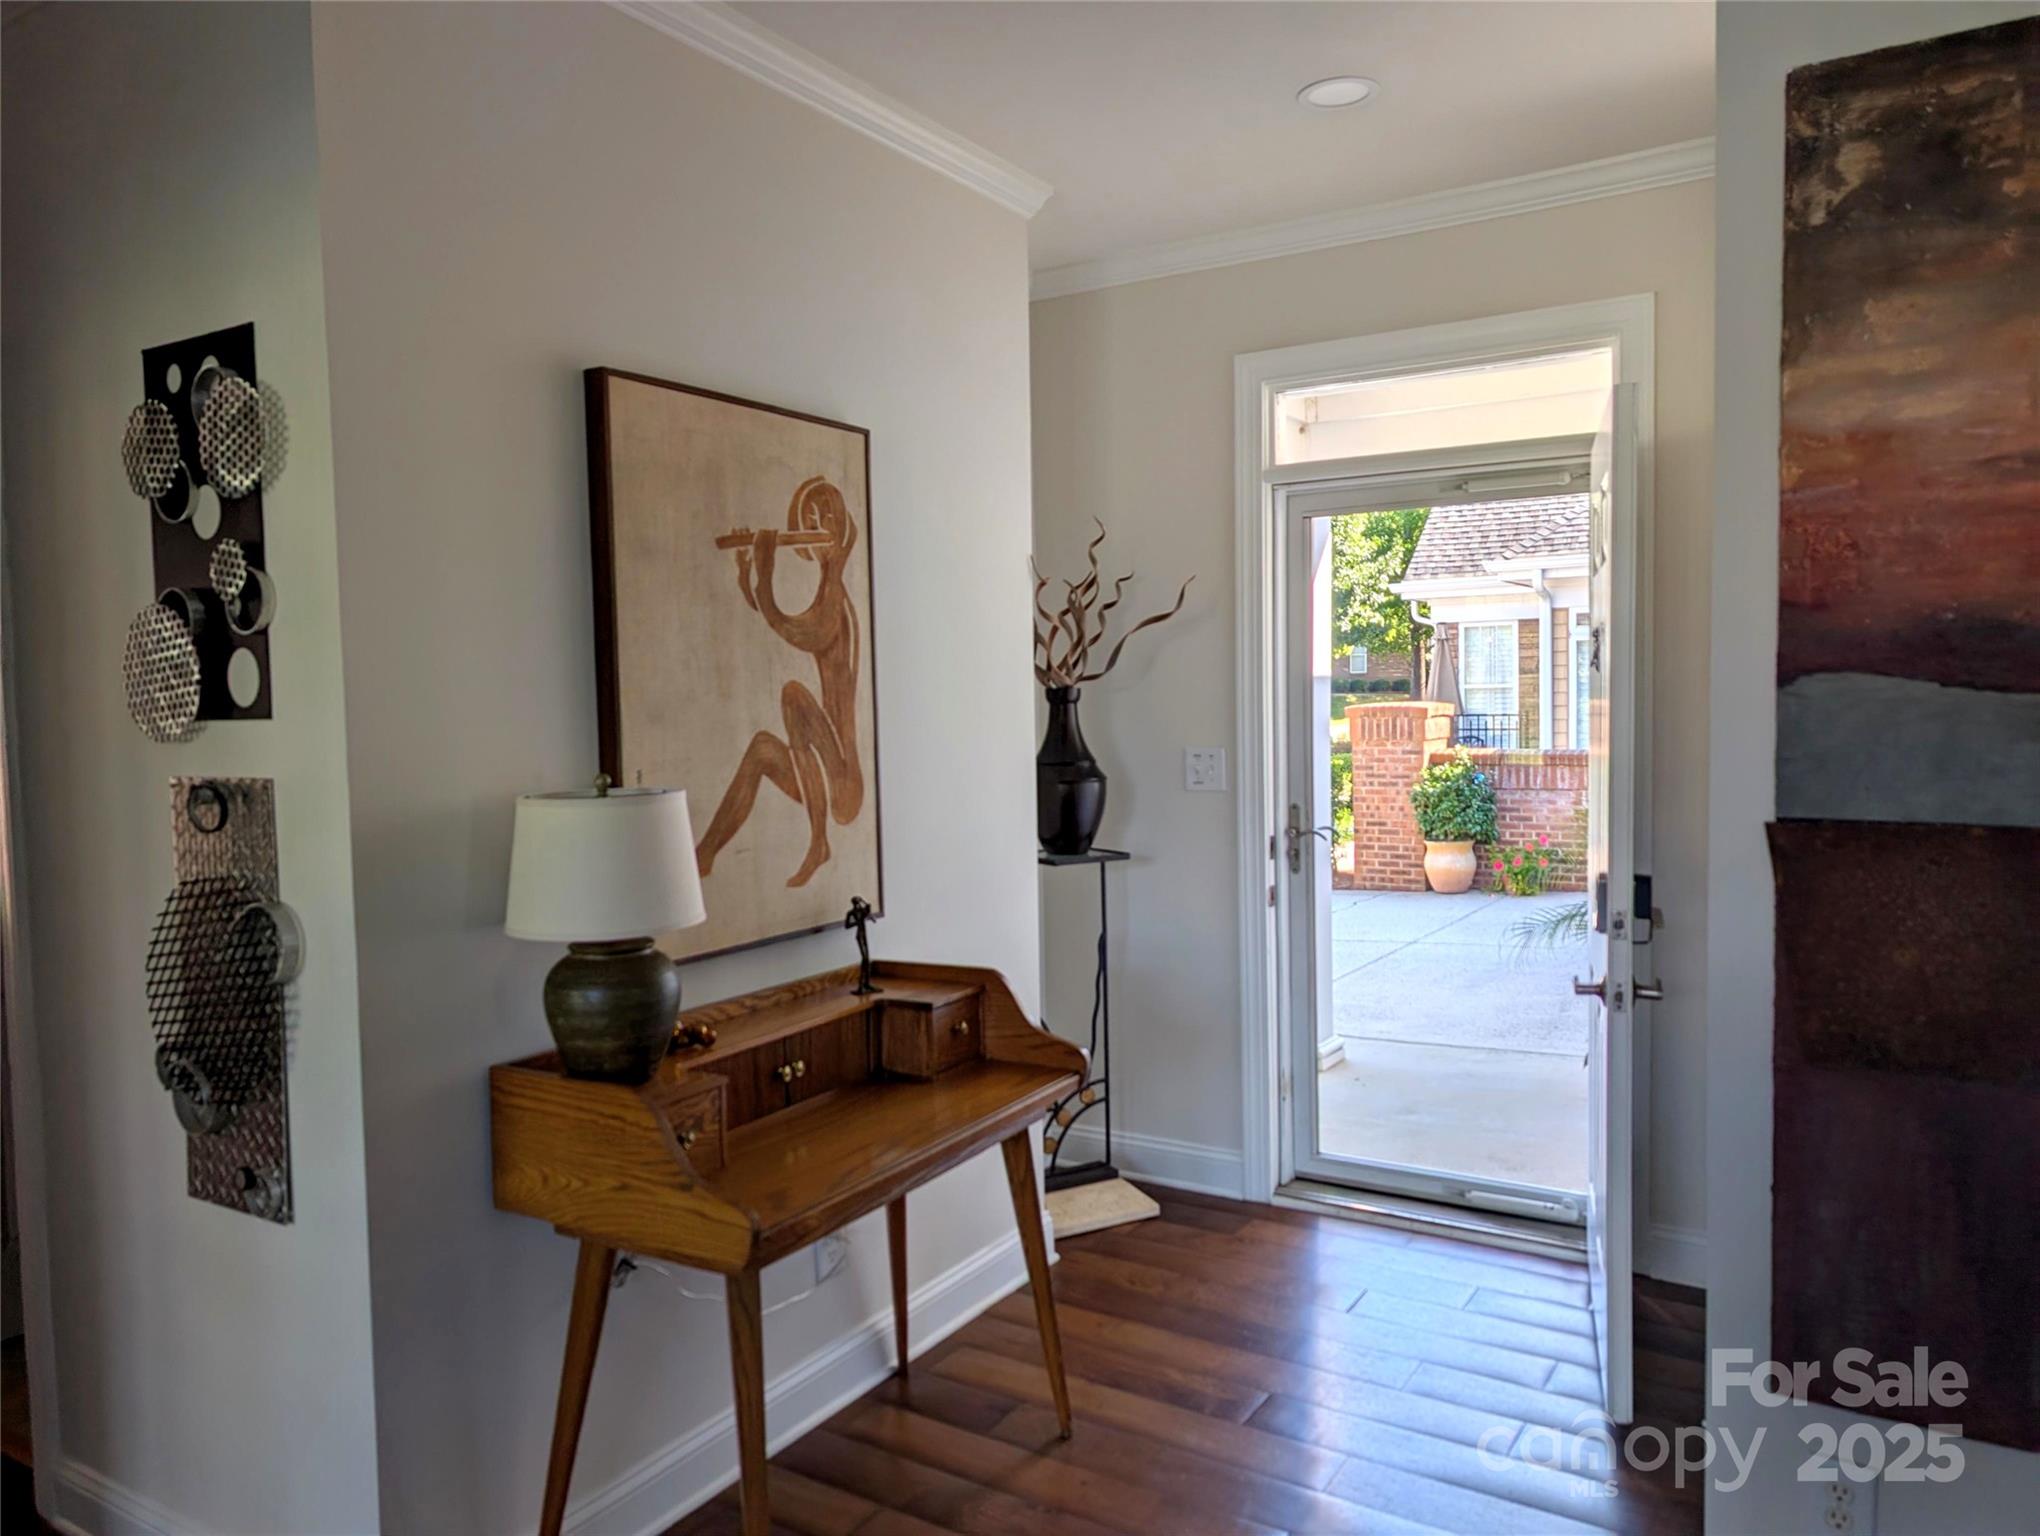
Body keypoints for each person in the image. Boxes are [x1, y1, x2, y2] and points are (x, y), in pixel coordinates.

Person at [696, 476, 864, 888]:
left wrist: (766, 576)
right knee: (761, 750)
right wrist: (748, 576)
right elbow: (784, 621)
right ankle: (704, 855)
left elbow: (799, 632)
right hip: (821, 771)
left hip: (842, 778)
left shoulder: (835, 594)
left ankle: (819, 841)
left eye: (826, 516)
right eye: (811, 519)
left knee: (793, 697)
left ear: (841, 523)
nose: (818, 525)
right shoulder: (827, 590)